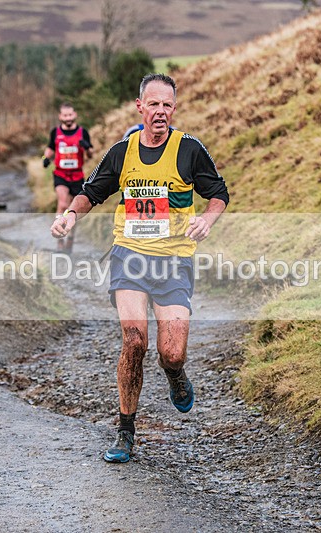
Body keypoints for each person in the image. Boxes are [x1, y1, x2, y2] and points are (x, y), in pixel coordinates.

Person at [50, 73, 229, 463]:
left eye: (168, 104)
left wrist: (207, 221)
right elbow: (91, 192)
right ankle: (125, 431)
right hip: (129, 257)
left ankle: (175, 374)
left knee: (172, 352)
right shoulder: (122, 152)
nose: (160, 111)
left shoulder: (189, 150)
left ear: (174, 109)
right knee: (134, 341)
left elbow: (218, 194)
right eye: (154, 104)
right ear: (140, 106)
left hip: (173, 261)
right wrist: (69, 216)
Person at [43, 103, 93, 252]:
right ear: (60, 116)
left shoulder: (83, 132)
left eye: (70, 115)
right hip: (61, 174)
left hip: (77, 175)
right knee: (63, 202)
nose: (68, 118)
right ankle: (59, 238)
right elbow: (50, 148)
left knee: (73, 209)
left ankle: (70, 239)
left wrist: (86, 147)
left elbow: (91, 154)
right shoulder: (55, 132)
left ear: (75, 115)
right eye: (65, 115)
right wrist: (45, 158)